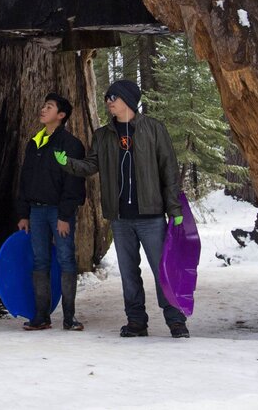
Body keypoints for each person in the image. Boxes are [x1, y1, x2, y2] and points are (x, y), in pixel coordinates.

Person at [57, 78, 190, 338]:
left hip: (151, 217)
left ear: (128, 100)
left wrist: (174, 210)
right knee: (129, 274)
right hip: (120, 218)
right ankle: (136, 322)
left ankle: (176, 321)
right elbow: (91, 165)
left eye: (113, 97)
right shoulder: (103, 135)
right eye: (107, 98)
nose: (108, 102)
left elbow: (169, 171)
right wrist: (68, 163)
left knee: (163, 271)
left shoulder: (153, 129)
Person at [15, 92, 87, 331]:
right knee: (40, 260)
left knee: (66, 258)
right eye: (43, 105)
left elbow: (74, 183)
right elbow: (25, 179)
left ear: (61, 115)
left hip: (59, 212)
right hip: (36, 212)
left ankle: (69, 317)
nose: (43, 109)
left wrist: (65, 216)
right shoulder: (34, 142)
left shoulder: (71, 145)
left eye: (49, 107)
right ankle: (41, 316)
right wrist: (23, 213)